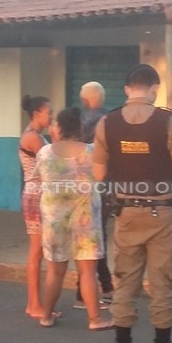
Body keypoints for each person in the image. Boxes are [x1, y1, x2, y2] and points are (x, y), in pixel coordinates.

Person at [92, 64, 172, 343]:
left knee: (125, 285)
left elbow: (98, 173)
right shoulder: (168, 122)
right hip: (162, 214)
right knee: (163, 284)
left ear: (126, 89)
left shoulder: (107, 123)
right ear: (154, 89)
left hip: (126, 213)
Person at [35, 107, 115, 331]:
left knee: (54, 272)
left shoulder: (44, 153)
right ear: (80, 127)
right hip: (85, 221)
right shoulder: (92, 152)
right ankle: (95, 319)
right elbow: (102, 176)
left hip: (54, 221)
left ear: (59, 127)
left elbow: (39, 179)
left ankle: (46, 316)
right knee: (87, 272)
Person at [71, 81, 115, 308]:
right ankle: (94, 289)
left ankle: (100, 287)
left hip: (82, 185)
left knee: (89, 237)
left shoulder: (79, 122)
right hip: (104, 185)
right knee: (96, 238)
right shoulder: (109, 120)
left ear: (85, 99)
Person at [19, 95, 54, 320]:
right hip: (35, 196)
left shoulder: (37, 135)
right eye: (49, 112)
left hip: (41, 195)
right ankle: (34, 303)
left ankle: (38, 303)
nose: (51, 116)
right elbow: (52, 162)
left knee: (41, 251)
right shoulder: (32, 138)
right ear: (37, 114)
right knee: (36, 251)